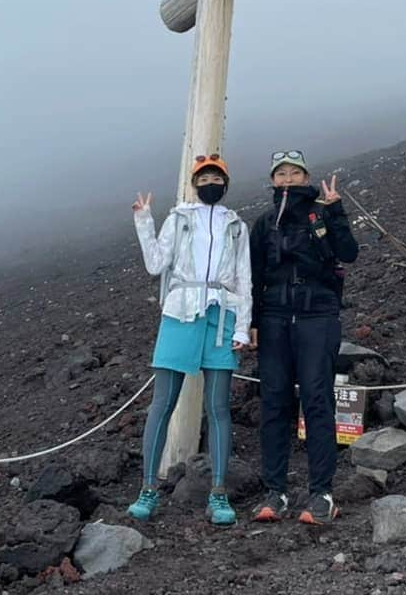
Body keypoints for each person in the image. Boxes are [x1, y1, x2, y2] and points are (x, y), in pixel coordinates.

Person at [126, 153, 252, 526]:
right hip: (180, 311)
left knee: (218, 408)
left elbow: (244, 279)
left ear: (225, 184)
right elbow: (155, 263)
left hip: (220, 316)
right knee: (162, 403)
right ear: (194, 184)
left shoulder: (236, 226)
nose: (209, 182)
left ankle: (218, 492)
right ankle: (148, 489)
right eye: (203, 177)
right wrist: (144, 220)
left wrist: (243, 327)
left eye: (215, 177)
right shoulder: (179, 218)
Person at [248, 149, 359, 525]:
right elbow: (254, 275)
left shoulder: (323, 213)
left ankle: (322, 494)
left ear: (306, 176)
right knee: (275, 402)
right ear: (273, 180)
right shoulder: (264, 223)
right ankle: (274, 492)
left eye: (295, 173)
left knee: (317, 399)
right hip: (275, 317)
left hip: (318, 315)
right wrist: (252, 322)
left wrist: (338, 212)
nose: (288, 180)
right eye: (281, 174)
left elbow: (349, 254)